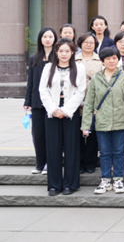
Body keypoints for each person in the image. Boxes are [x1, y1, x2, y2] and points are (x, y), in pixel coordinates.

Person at [81, 47, 124, 195]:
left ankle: (118, 179)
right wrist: (85, 124)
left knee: (119, 152)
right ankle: (105, 180)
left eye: (114, 58)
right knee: (104, 152)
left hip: (120, 120)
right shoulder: (96, 78)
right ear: (103, 61)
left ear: (118, 60)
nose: (111, 61)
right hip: (102, 121)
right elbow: (89, 103)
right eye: (108, 59)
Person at [39, 38, 86, 196]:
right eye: (61, 51)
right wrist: (53, 109)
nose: (64, 54)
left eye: (67, 51)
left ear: (72, 52)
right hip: (52, 112)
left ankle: (70, 184)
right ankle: (54, 185)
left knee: (72, 148)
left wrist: (66, 110)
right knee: (53, 148)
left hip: (71, 113)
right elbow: (43, 90)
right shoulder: (48, 68)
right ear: (56, 52)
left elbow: (80, 91)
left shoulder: (79, 68)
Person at [24, 27, 57, 176]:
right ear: (40, 39)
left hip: (53, 102)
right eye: (45, 37)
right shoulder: (34, 58)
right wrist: (27, 101)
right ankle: (40, 163)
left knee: (52, 134)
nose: (47, 39)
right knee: (38, 134)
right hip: (37, 102)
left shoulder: (58, 57)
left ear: (55, 39)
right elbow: (30, 82)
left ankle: (50, 164)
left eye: (50, 36)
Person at [74, 33, 102, 174]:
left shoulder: (100, 60)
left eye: (91, 42)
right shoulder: (74, 59)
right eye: (86, 42)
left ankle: (91, 162)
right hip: (76, 103)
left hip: (93, 103)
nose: (89, 45)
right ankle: (79, 163)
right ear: (80, 43)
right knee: (77, 135)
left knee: (92, 135)